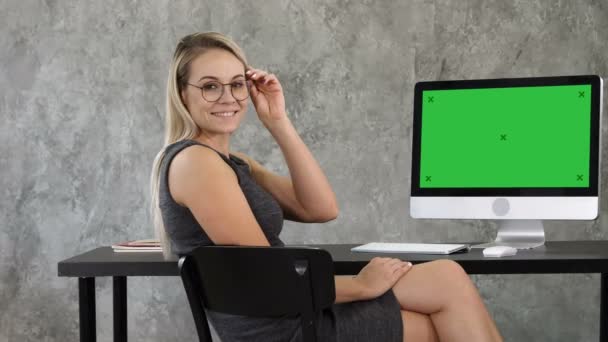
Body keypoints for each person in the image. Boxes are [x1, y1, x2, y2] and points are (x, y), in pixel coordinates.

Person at [150, 31, 503, 342]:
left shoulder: (232, 164)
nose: (228, 97)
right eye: (210, 86)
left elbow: (320, 208)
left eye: (237, 84)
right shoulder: (196, 163)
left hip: (294, 310)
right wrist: (362, 285)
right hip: (282, 326)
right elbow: (270, 278)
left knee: (447, 277)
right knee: (445, 320)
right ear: (183, 93)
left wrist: (278, 120)